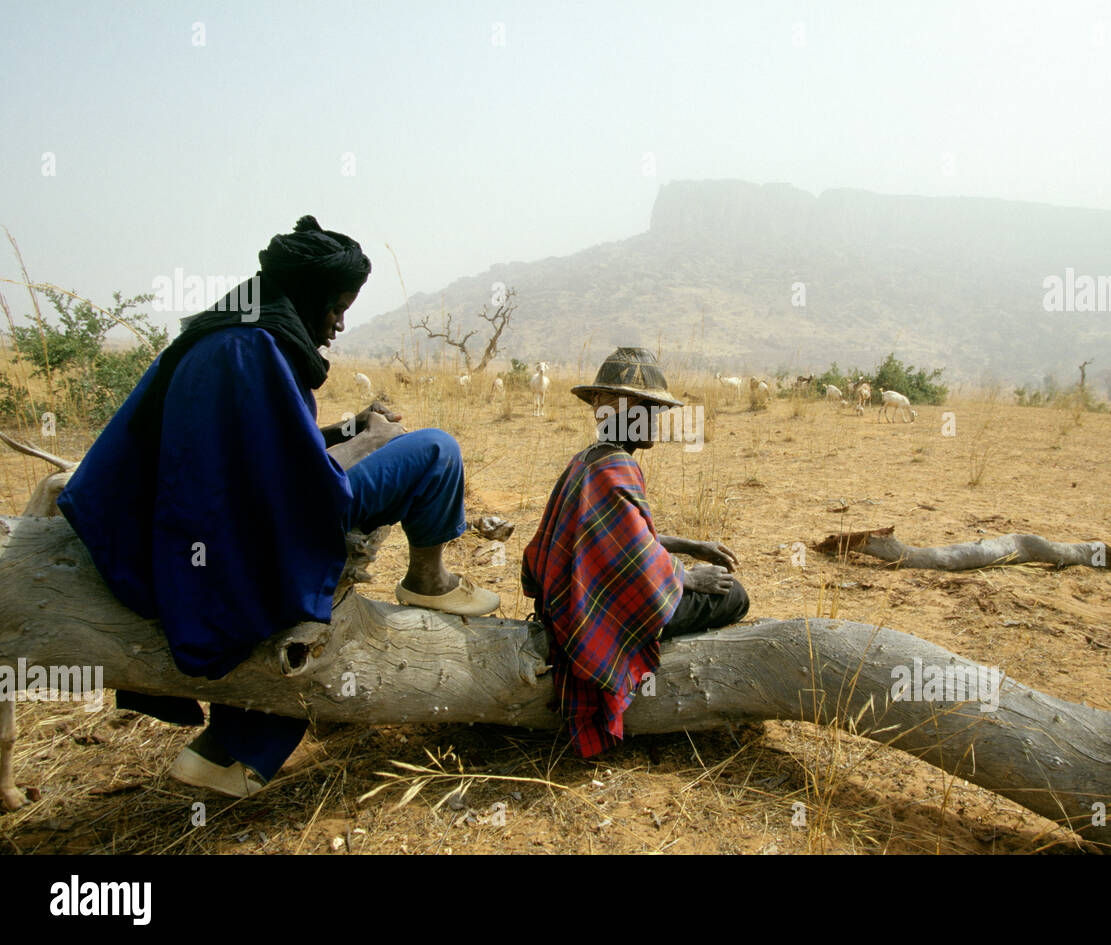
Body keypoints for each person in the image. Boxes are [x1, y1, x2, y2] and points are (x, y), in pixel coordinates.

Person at [56, 215, 498, 797]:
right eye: (337, 305)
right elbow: (295, 483)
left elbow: (269, 447)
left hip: (190, 532)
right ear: (308, 295)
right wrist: (374, 440)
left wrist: (349, 426)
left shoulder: (230, 335)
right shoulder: (253, 350)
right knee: (438, 449)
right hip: (243, 535)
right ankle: (428, 579)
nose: (341, 322)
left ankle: (223, 752)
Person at [521, 347, 749, 758]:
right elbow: (636, 560)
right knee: (734, 596)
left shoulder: (588, 459)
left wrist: (691, 546)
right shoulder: (619, 468)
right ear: (628, 413)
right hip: (594, 611)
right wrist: (687, 576)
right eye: (652, 411)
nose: (658, 422)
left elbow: (622, 542)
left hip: (567, 602)